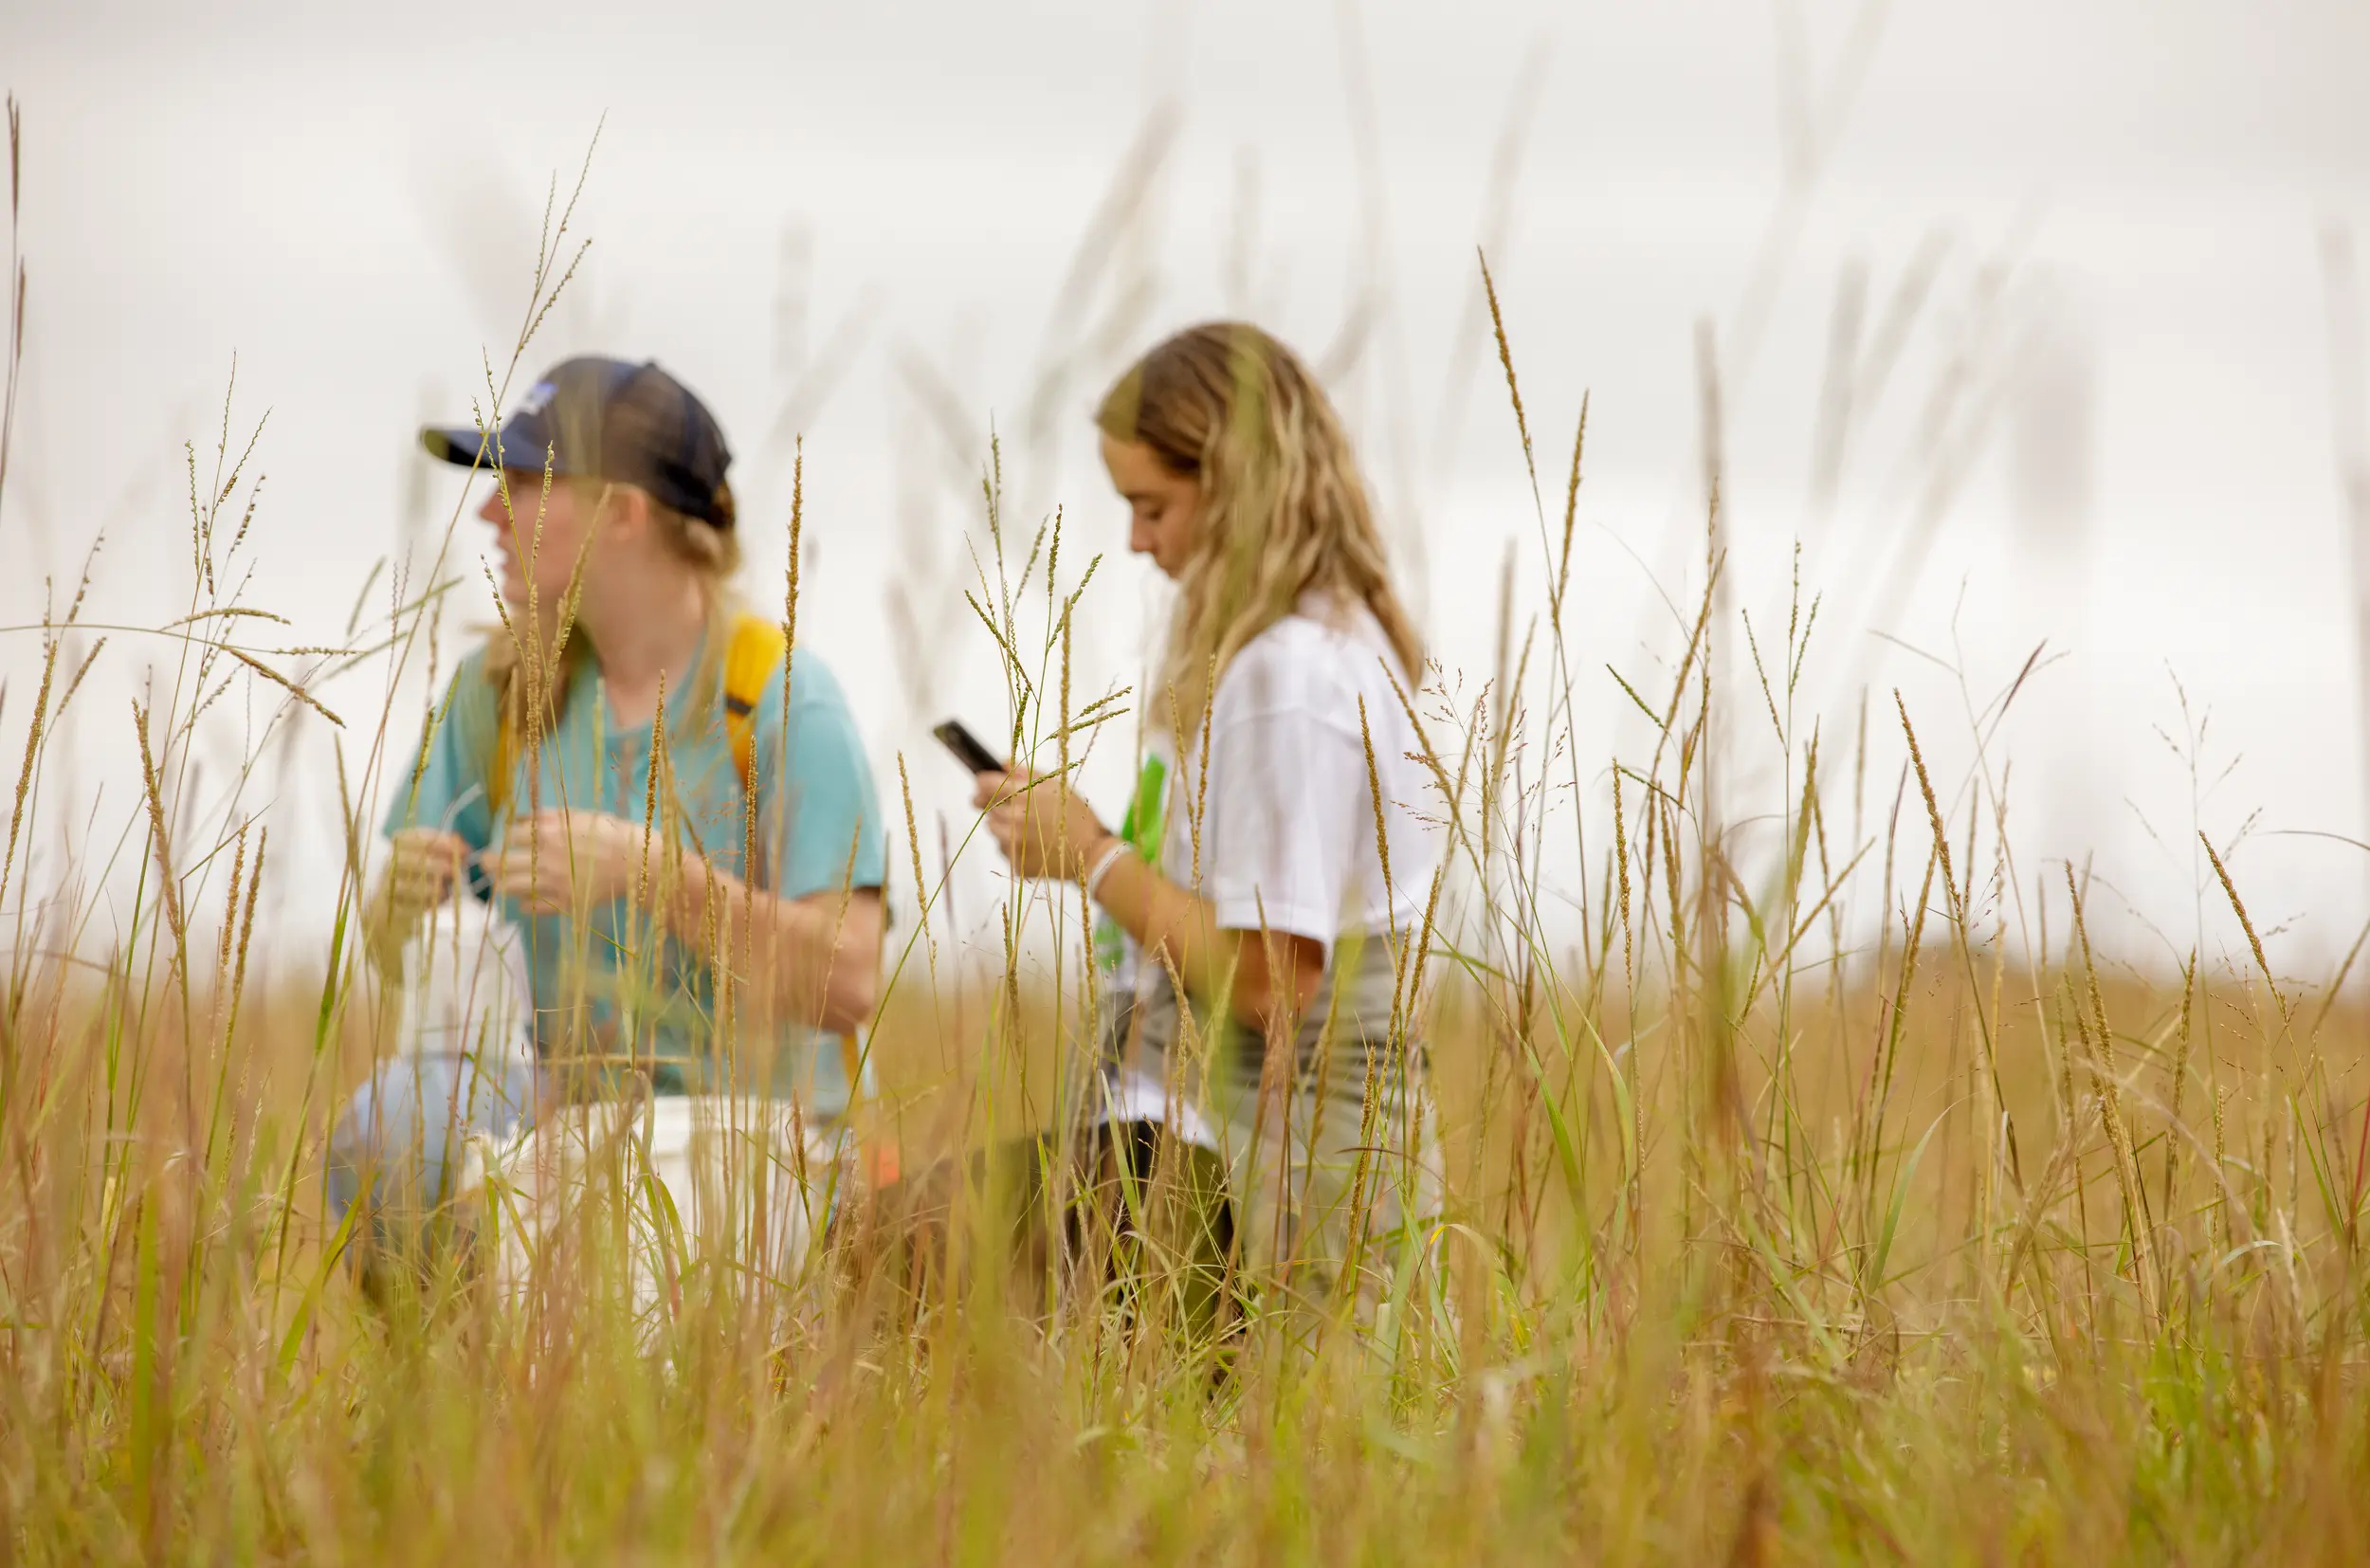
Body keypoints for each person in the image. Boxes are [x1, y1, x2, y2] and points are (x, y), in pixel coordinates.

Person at [329, 356, 887, 1269]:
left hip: (746, 1152)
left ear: (623, 514)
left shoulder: (782, 699)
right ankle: (447, 1404)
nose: (487, 514)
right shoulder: (495, 695)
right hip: (546, 1128)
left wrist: (645, 874)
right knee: (393, 1126)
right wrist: (397, 912)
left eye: (521, 486)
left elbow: (850, 982)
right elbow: (401, 961)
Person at [974, 321, 1442, 1323]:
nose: (1139, 541)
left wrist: (1089, 858)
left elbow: (1272, 980)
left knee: (901, 1257)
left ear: (1234, 489)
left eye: (1153, 506)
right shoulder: (1281, 656)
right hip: (1199, 1152)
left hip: (1267, 1181)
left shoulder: (1288, 675)